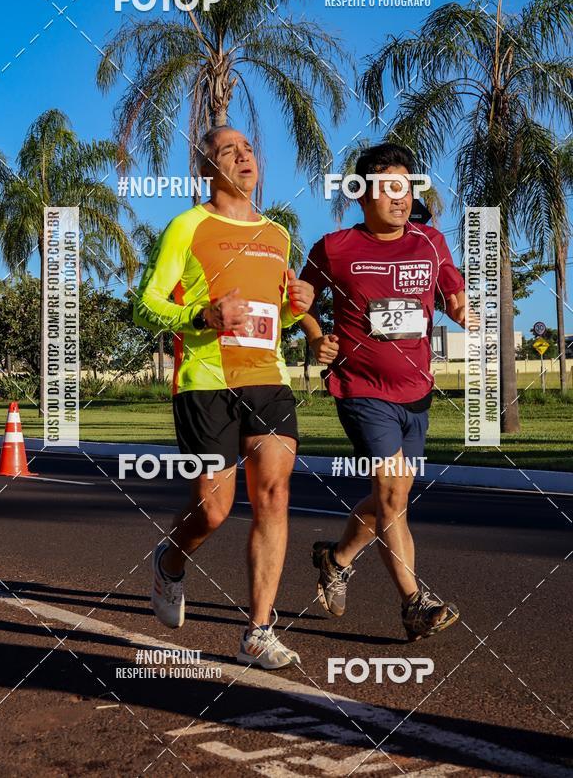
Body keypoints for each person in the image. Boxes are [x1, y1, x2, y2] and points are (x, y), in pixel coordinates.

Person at [133, 126, 314, 668]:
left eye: (249, 149)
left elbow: (276, 314)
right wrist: (201, 315)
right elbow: (145, 304)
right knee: (213, 511)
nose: (243, 157)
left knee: (274, 497)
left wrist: (297, 305)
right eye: (228, 151)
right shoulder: (186, 226)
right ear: (206, 169)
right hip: (205, 382)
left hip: (267, 377)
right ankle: (170, 560)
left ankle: (258, 631)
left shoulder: (279, 234)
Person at [300, 143, 466, 641]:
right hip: (360, 389)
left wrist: (462, 310)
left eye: (406, 187)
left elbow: (452, 292)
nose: (400, 197)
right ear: (362, 194)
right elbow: (299, 301)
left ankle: (337, 558)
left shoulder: (431, 242)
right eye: (389, 187)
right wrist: (315, 336)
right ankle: (415, 603)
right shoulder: (335, 247)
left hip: (415, 391)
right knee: (393, 491)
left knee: (391, 497)